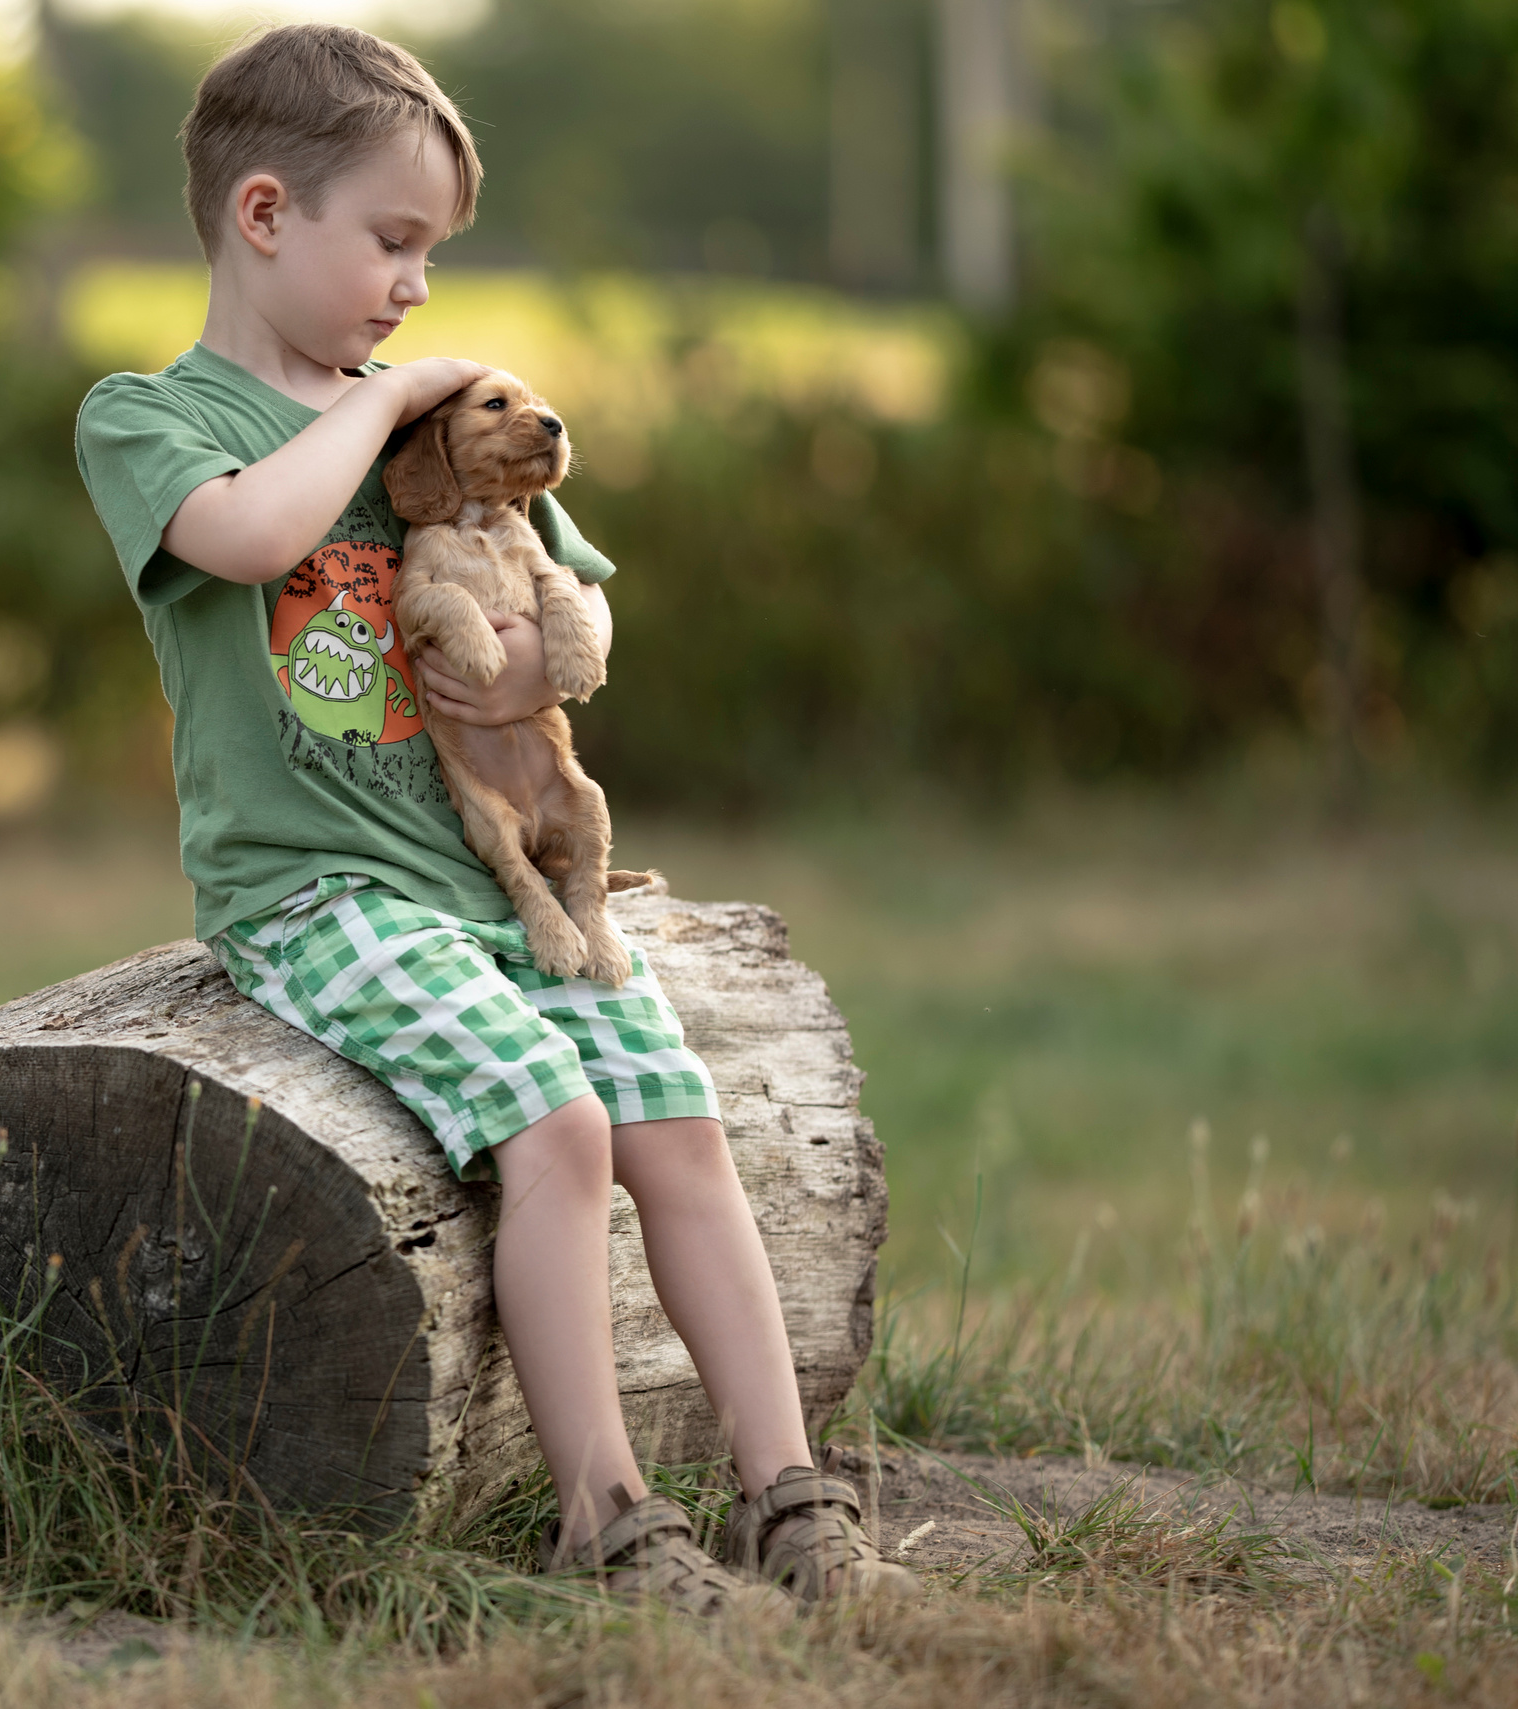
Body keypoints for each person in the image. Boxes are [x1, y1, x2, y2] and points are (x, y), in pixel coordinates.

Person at [71, 22, 915, 1614]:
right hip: (319, 890)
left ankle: (789, 1491)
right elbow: (253, 541)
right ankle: (603, 1510)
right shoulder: (149, 416)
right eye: (392, 243)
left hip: (502, 876)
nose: (417, 289)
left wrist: (522, 650)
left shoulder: (444, 425)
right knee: (560, 1119)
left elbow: (571, 608)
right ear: (264, 216)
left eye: (432, 256)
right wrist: (394, 403)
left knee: (675, 1116)